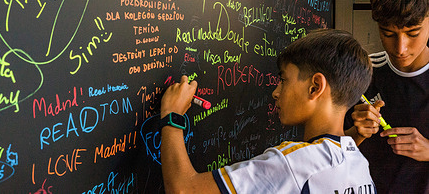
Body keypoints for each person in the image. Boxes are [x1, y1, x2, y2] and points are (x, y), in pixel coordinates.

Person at [160, 29, 376, 193]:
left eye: (283, 80)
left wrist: (172, 116)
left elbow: (184, 189)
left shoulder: (294, 163)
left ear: (315, 87)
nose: (275, 92)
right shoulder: (360, 164)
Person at [344, 0, 429, 193]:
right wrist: (357, 133)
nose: (400, 48)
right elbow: (332, 151)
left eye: (412, 33)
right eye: (388, 33)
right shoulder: (362, 73)